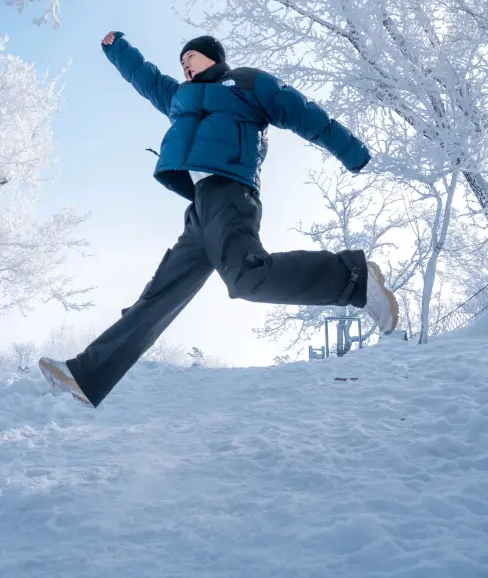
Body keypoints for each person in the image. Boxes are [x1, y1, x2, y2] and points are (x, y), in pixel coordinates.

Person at [39, 32, 398, 407]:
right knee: (158, 297)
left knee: (247, 278)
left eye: (191, 57)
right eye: (181, 63)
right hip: (201, 208)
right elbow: (145, 78)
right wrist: (116, 48)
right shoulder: (180, 97)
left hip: (231, 193)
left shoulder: (246, 83)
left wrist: (351, 151)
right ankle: (86, 375)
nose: (185, 66)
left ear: (212, 57)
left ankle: (354, 278)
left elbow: (303, 112)